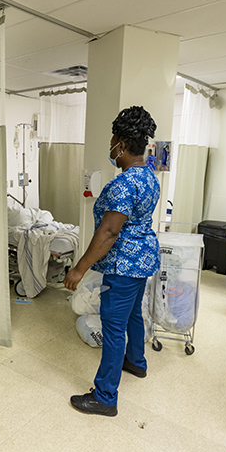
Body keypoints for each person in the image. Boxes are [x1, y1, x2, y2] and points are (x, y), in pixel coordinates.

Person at [63, 106, 160, 417]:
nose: (110, 149)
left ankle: (105, 397)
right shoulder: (149, 177)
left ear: (121, 143)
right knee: (134, 313)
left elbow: (108, 231)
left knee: (113, 326)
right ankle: (137, 362)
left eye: (112, 142)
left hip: (123, 265)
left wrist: (79, 269)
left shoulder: (123, 184)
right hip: (143, 260)